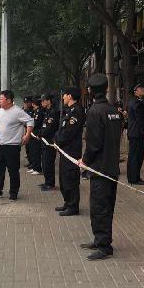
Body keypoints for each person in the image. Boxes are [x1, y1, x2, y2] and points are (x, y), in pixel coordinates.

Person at [78, 74, 122, 261]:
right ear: (106, 89)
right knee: (106, 206)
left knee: (99, 207)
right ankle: (100, 239)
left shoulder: (95, 111)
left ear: (89, 91)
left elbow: (93, 143)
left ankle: (104, 246)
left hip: (100, 168)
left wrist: (84, 161)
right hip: (111, 166)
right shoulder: (113, 110)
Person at [0, 90, 34, 201]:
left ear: (9, 100)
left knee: (13, 171)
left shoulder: (17, 111)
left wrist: (27, 135)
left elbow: (30, 121)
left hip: (12, 146)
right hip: (0, 145)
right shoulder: (0, 110)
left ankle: (13, 193)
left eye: (1, 99)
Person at [54, 87, 85, 216]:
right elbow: (61, 129)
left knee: (70, 178)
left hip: (72, 151)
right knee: (64, 178)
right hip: (65, 150)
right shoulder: (69, 110)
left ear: (70, 96)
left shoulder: (76, 111)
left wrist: (58, 141)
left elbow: (69, 132)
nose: (63, 97)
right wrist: (57, 141)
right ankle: (67, 202)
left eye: (65, 95)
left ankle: (73, 206)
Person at [127, 83, 144, 186]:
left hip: (134, 133)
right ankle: (134, 178)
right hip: (137, 134)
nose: (143, 89)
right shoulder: (137, 103)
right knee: (137, 157)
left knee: (133, 156)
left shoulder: (133, 101)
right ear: (135, 91)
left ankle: (133, 177)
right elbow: (140, 119)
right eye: (140, 88)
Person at [38, 93, 59, 191]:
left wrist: (41, 133)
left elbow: (51, 128)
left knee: (48, 163)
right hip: (44, 140)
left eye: (43, 100)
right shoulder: (47, 111)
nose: (41, 102)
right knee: (44, 163)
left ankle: (50, 184)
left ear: (48, 101)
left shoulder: (54, 112)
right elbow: (44, 125)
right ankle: (47, 182)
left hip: (49, 141)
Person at [28, 96, 44, 175]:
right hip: (32, 133)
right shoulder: (34, 111)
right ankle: (34, 167)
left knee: (36, 152)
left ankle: (37, 168)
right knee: (32, 151)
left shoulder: (39, 111)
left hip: (36, 134)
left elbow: (37, 123)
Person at [22, 96, 34, 168]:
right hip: (26, 131)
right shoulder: (25, 111)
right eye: (25, 103)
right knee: (28, 148)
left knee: (32, 149)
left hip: (32, 133)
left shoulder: (33, 110)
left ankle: (33, 163)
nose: (25, 104)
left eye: (27, 103)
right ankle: (30, 161)